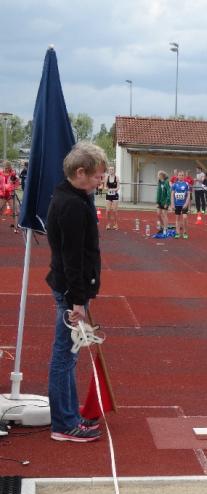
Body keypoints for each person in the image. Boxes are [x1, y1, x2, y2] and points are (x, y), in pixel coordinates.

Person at [45, 142, 108, 442]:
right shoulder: (71, 204)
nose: (100, 182)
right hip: (71, 291)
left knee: (68, 355)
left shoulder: (74, 197)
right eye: (97, 176)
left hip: (70, 288)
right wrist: (78, 302)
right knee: (64, 357)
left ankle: (68, 415)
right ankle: (63, 424)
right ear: (80, 172)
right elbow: (72, 258)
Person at [171, 170, 191, 239]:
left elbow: (188, 195)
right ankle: (177, 233)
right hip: (177, 204)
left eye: (182, 175)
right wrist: (172, 204)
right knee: (177, 218)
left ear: (184, 176)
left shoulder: (186, 184)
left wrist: (186, 203)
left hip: (184, 204)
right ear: (177, 176)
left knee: (185, 218)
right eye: (180, 175)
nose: (181, 176)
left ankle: (185, 232)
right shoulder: (174, 184)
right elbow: (172, 194)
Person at [104, 165, 120, 230]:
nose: (111, 171)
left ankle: (115, 224)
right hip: (108, 195)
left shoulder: (116, 178)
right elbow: (105, 186)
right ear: (108, 170)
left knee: (114, 210)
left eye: (112, 169)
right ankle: (108, 224)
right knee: (108, 210)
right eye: (110, 169)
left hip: (115, 195)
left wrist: (114, 190)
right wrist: (108, 189)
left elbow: (118, 187)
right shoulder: (107, 178)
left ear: (114, 170)